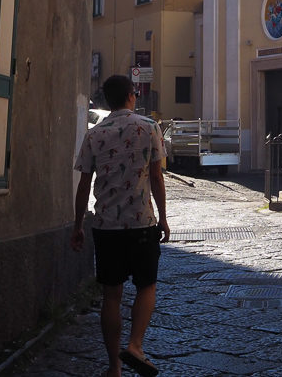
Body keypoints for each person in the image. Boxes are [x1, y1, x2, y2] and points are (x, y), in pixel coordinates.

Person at [72, 74, 170, 377]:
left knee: (111, 295)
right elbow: (156, 177)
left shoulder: (95, 134)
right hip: (141, 222)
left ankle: (114, 367)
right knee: (147, 285)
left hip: (106, 225)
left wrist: (78, 225)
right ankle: (135, 345)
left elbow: (83, 183)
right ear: (131, 95)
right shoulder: (149, 127)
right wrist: (163, 216)